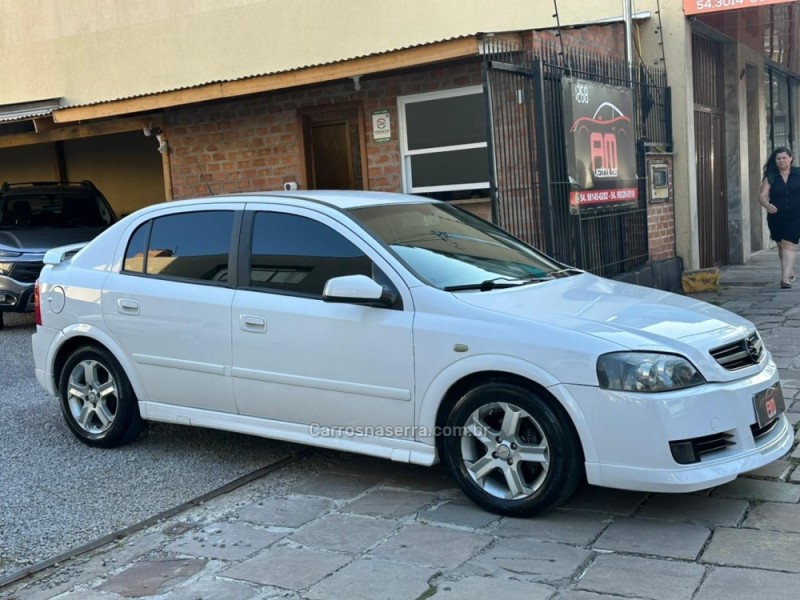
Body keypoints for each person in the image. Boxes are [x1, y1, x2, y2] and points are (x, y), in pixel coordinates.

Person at [759, 146, 800, 288]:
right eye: (778, 158)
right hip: (776, 216)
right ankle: (789, 272)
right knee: (781, 246)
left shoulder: (798, 173)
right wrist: (767, 205)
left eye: (784, 158)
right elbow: (762, 196)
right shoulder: (771, 176)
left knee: (789, 244)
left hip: (796, 216)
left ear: (791, 158)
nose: (781, 160)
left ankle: (785, 279)